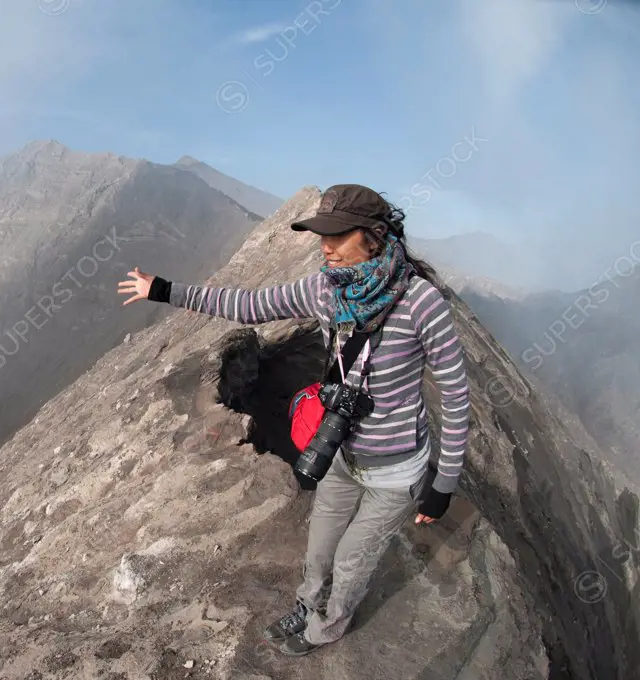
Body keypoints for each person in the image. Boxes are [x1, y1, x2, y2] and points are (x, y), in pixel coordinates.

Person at [116, 184, 470, 658]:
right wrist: (162, 289)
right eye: (320, 234)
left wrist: (443, 485)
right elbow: (248, 306)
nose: (325, 246)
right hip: (340, 451)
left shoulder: (422, 304)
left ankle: (327, 627)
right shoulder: (326, 289)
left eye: (338, 235)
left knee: (351, 561)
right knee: (320, 547)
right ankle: (308, 605)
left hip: (397, 468)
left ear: (376, 236)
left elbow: (454, 391)